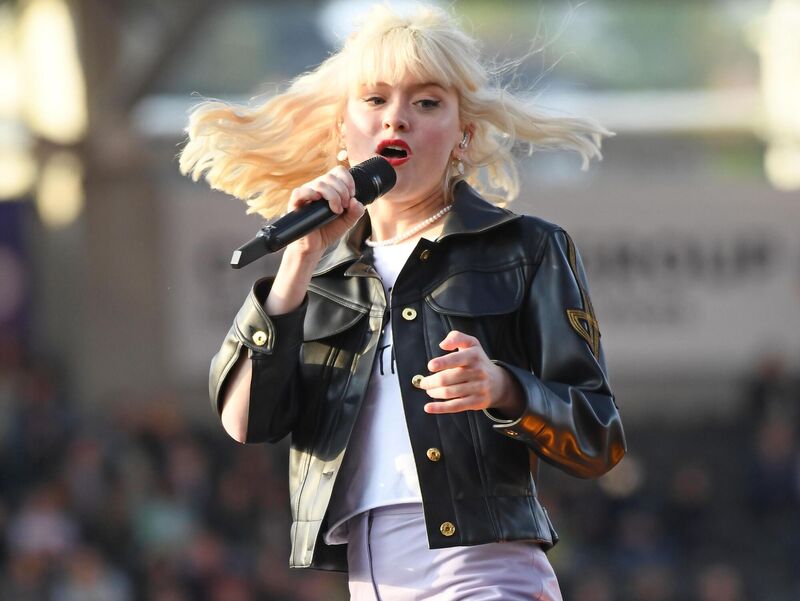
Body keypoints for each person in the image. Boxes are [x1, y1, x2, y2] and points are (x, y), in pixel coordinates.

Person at [180, 5, 626, 600]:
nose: (397, 119)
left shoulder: (527, 249)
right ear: (344, 129)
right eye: (374, 100)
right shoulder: (321, 275)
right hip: (374, 579)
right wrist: (298, 260)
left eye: (426, 102)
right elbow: (245, 420)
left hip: (486, 573)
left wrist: (503, 388)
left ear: (463, 132)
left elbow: (599, 438)